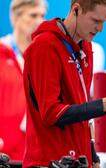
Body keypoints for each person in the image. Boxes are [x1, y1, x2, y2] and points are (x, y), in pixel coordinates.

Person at [22, 0, 106, 167]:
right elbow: (52, 113)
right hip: (47, 161)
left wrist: (93, 157)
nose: (100, 28)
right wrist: (105, 104)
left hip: (79, 161)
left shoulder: (86, 48)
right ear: (76, 9)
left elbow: (81, 112)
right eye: (96, 21)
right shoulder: (44, 46)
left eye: (104, 22)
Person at [0, 0, 47, 161]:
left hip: (32, 154)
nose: (40, 21)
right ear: (15, 18)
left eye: (42, 15)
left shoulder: (46, 58)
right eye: (33, 15)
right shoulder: (1, 53)